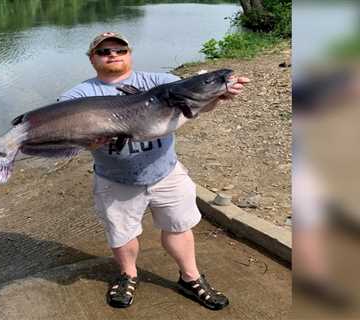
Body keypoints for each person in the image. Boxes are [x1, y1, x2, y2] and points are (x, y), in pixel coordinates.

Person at [58, 32, 250, 309]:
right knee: (122, 233)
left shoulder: (160, 82)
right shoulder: (79, 95)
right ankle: (128, 275)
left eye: (120, 49)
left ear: (129, 54)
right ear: (92, 59)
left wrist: (220, 94)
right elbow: (65, 128)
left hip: (166, 172)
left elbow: (195, 103)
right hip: (116, 180)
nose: (113, 54)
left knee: (179, 227)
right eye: (104, 51)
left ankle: (190, 277)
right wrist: (84, 139)